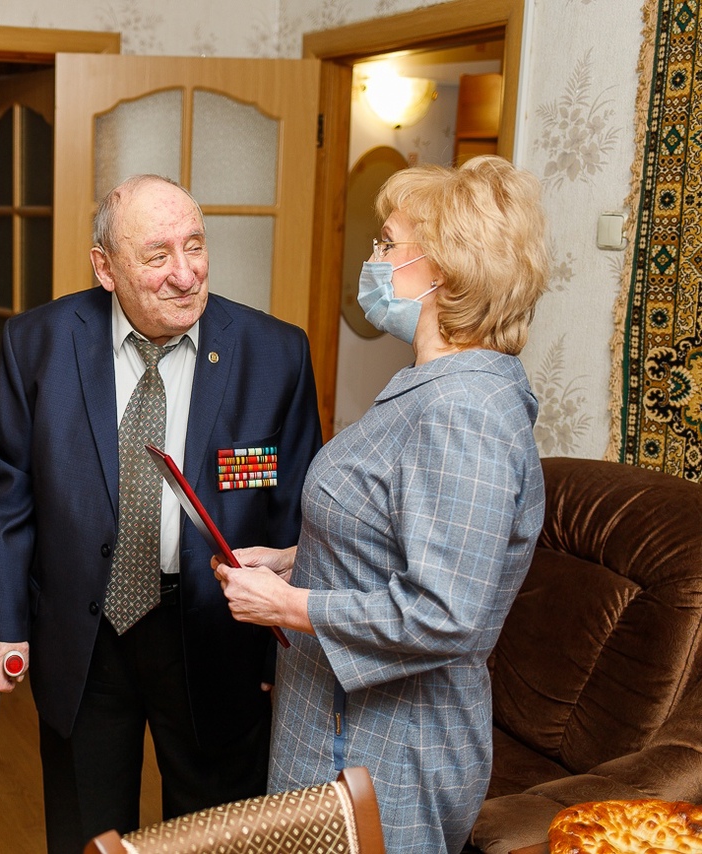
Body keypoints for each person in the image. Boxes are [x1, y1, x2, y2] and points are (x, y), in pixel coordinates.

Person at [0, 174, 323, 852]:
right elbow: (10, 492)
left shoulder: (274, 353)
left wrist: (282, 650)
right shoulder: (38, 342)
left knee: (218, 833)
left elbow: (292, 510)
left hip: (217, 631)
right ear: (105, 268)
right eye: (157, 256)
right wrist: (1, 622)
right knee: (89, 829)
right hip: (84, 628)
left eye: (195, 245)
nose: (186, 274)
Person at [214, 155, 549, 853]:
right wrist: (294, 559)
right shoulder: (436, 386)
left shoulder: (464, 411)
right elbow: (397, 535)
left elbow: (444, 613)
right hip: (335, 722)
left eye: (388, 244)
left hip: (384, 745)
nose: (374, 260)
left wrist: (288, 606)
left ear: (443, 271)